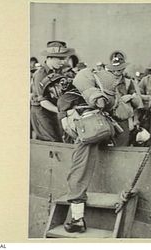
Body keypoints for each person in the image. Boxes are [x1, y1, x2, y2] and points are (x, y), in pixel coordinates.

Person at [57, 69, 118, 233]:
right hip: (101, 132)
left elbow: (66, 124)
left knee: (77, 174)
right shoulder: (92, 96)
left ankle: (77, 220)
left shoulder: (67, 98)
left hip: (86, 136)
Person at [30, 41, 75, 142]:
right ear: (49, 57)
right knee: (52, 141)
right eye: (60, 59)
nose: (63, 62)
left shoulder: (60, 71)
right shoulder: (40, 75)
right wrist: (62, 112)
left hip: (54, 110)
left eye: (64, 58)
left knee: (60, 140)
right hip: (41, 112)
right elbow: (43, 102)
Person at [106, 52, 142, 146]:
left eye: (118, 70)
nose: (116, 72)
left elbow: (137, 104)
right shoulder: (106, 82)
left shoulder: (128, 83)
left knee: (122, 145)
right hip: (108, 118)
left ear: (123, 69)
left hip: (123, 119)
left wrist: (130, 98)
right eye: (114, 70)